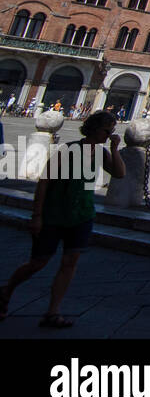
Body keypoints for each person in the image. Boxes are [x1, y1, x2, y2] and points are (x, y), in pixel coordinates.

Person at [0, 110, 125, 328]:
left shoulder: (102, 152)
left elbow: (120, 173)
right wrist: (37, 215)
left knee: (70, 262)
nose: (109, 134)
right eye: (107, 130)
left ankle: (52, 312)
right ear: (94, 128)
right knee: (38, 262)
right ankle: (6, 290)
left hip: (82, 214)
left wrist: (115, 150)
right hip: (55, 213)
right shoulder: (70, 150)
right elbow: (45, 181)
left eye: (112, 131)